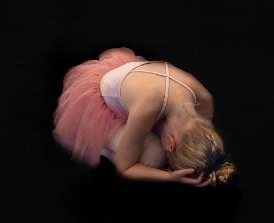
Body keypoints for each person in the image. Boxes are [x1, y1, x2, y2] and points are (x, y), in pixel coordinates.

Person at [52, 47, 236, 187]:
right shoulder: (148, 109)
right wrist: (170, 176)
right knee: (154, 157)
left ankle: (129, 134)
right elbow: (126, 168)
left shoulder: (204, 98)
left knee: (153, 140)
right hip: (99, 100)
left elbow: (204, 128)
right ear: (170, 143)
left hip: (136, 83)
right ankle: (100, 142)